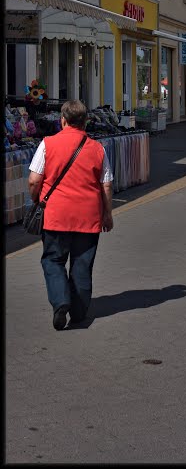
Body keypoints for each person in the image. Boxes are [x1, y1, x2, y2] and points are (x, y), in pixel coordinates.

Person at [27, 99, 114, 329]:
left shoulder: (47, 144)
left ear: (62, 120)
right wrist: (108, 214)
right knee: (82, 264)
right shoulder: (98, 148)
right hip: (88, 217)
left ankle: (60, 301)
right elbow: (106, 185)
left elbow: (34, 180)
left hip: (56, 215)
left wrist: (37, 199)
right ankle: (78, 312)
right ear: (85, 122)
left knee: (53, 260)